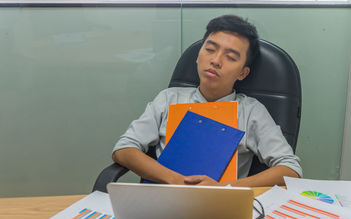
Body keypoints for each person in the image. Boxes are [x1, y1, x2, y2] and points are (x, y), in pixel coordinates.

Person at [112, 15, 302, 187]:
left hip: (221, 207)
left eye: (230, 57)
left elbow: (290, 169)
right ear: (198, 56)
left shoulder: (251, 111)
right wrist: (175, 179)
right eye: (210, 50)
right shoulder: (169, 98)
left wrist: (224, 189)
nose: (216, 60)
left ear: (243, 73)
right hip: (162, 201)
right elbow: (124, 149)